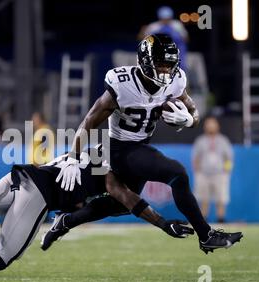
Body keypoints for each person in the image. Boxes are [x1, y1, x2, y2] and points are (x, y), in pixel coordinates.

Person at [0, 147, 194, 282]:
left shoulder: (91, 148)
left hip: (23, 174)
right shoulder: (111, 166)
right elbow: (125, 197)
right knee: (1, 258)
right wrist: (163, 223)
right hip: (38, 193)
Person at [53, 34, 242, 254]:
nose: (165, 71)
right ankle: (206, 235)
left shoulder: (177, 81)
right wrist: (74, 158)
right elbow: (89, 121)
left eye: (169, 65)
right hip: (119, 149)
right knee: (177, 173)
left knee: (121, 204)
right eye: (160, 65)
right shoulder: (122, 84)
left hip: (140, 147)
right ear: (144, 61)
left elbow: (193, 111)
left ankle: (65, 221)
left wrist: (190, 120)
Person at [192, 117, 233, 223]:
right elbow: (196, 157)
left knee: (221, 198)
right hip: (204, 174)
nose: (210, 126)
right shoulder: (200, 140)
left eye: (212, 124)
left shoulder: (223, 140)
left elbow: (228, 157)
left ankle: (221, 219)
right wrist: (197, 172)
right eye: (208, 124)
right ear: (205, 127)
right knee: (204, 198)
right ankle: (203, 219)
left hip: (219, 174)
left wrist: (226, 171)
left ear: (217, 126)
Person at [138, 6, 189, 71]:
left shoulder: (177, 25)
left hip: (176, 54)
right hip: (158, 54)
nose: (165, 21)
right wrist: (142, 31)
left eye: (167, 19)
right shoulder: (154, 26)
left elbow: (186, 39)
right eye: (163, 19)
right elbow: (141, 39)